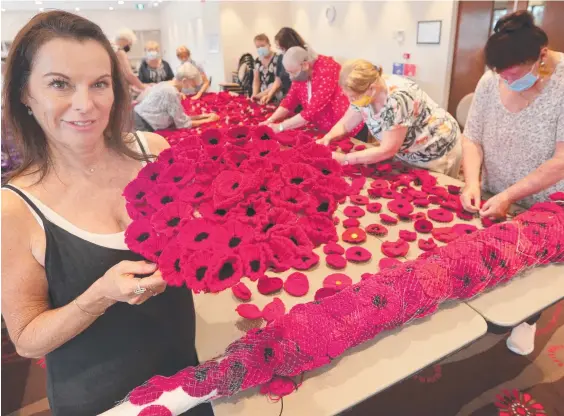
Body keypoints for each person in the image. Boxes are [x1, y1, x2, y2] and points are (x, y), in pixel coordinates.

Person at [1, 11, 214, 416]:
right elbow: (28, 338)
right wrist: (99, 296)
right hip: (100, 400)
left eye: (99, 84)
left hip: (185, 378)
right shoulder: (14, 207)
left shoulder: (154, 151)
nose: (85, 105)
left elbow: (193, 246)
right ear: (25, 94)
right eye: (60, 84)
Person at [461, 11, 564, 355]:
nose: (506, 80)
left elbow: (561, 160)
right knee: (488, 253)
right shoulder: (492, 80)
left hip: (541, 198)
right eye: (499, 73)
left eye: (514, 74)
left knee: (530, 270)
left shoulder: (562, 80)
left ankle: (527, 319)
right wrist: (472, 183)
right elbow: (472, 137)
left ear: (541, 56)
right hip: (494, 187)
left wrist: (511, 194)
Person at [318, 59, 462, 177]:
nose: (351, 101)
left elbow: (388, 149)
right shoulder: (364, 93)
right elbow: (346, 123)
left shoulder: (397, 99)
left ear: (372, 89)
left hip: (435, 148)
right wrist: (329, 137)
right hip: (406, 150)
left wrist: (345, 160)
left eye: (354, 97)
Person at [263, 46, 364, 138]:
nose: (291, 77)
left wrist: (280, 127)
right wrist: (270, 120)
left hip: (347, 126)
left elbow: (311, 111)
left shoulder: (327, 69)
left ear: (305, 65)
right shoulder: (300, 74)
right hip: (325, 129)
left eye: (292, 72)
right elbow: (289, 101)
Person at [134, 62, 219, 132]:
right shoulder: (172, 92)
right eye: (192, 85)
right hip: (143, 125)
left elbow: (178, 117)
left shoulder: (165, 84)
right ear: (184, 81)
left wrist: (204, 116)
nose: (192, 89)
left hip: (137, 119)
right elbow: (183, 124)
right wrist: (208, 120)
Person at [274, 27, 308, 98]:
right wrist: (268, 95)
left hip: (300, 97)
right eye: (279, 48)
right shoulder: (281, 57)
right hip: (288, 97)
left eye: (282, 48)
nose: (291, 77)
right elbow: (278, 82)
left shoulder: (304, 56)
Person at [251, 34, 283, 105]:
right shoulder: (257, 61)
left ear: (269, 45)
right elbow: (256, 81)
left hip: (276, 97)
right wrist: (254, 95)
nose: (260, 48)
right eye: (258, 47)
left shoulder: (278, 59)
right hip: (262, 98)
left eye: (262, 46)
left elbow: (278, 82)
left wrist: (263, 95)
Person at [114, 28, 146, 92]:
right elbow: (129, 75)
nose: (129, 47)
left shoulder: (111, 49)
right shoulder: (120, 52)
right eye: (130, 44)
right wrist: (144, 88)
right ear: (127, 41)